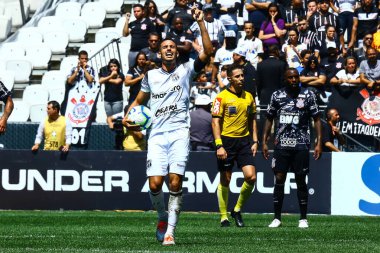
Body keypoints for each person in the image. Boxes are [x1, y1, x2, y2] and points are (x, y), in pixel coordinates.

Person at [122, 8, 212, 246]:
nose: (169, 49)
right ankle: (162, 217)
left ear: (176, 51)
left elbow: (208, 52)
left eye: (172, 46)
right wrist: (128, 115)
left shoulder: (186, 71)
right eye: (165, 47)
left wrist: (201, 23)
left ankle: (170, 231)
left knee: (174, 182)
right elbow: (139, 100)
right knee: (154, 184)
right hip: (157, 135)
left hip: (180, 132)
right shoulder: (150, 76)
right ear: (159, 52)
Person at [262, 68, 322, 229]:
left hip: (301, 145)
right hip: (281, 145)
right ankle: (277, 218)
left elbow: (317, 119)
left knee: (301, 180)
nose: (294, 79)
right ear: (285, 79)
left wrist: (319, 142)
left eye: (296, 77)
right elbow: (269, 118)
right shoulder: (277, 95)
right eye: (291, 77)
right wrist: (264, 140)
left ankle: (303, 218)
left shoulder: (308, 95)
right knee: (279, 178)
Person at [211, 64, 258, 227]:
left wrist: (255, 141)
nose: (241, 79)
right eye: (237, 76)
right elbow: (215, 122)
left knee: (251, 177)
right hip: (226, 142)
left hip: (244, 141)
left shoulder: (249, 97)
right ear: (229, 78)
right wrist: (219, 145)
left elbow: (252, 119)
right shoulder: (220, 97)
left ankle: (237, 209)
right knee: (226, 179)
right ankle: (223, 216)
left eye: (242, 76)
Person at [99, 59, 125, 129]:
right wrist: (110, 76)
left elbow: (117, 82)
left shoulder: (121, 75)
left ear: (118, 67)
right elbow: (100, 81)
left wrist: (106, 79)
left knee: (117, 120)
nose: (113, 68)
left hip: (117, 101)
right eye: (111, 66)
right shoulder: (107, 74)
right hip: (107, 101)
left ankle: (118, 135)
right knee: (109, 119)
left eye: (115, 66)